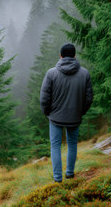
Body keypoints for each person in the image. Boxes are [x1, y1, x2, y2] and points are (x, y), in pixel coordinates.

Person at [40, 43, 93, 182]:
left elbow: (44, 98)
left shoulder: (51, 73)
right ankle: (70, 174)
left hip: (55, 117)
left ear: (61, 55)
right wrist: (80, 112)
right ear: (75, 55)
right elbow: (89, 98)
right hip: (74, 116)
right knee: (72, 144)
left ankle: (57, 179)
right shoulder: (84, 73)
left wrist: (48, 113)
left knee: (55, 146)